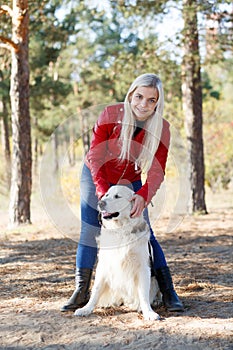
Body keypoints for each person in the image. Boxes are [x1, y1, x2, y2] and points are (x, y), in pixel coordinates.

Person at [61, 73, 184, 313]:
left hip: (131, 180)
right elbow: (95, 156)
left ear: (158, 103)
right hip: (96, 174)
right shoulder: (110, 115)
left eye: (151, 100)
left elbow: (158, 171)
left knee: (145, 231)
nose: (143, 104)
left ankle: (169, 291)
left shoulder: (162, 129)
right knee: (90, 229)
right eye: (139, 96)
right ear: (130, 95)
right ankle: (81, 290)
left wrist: (144, 196)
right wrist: (103, 193)